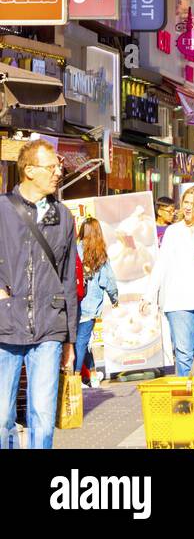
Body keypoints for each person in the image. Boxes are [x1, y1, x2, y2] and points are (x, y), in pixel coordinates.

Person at [0, 140, 78, 450]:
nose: (59, 172)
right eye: (51, 167)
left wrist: (70, 339)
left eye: (58, 167)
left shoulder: (64, 216)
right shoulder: (3, 209)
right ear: (29, 170)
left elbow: (68, 278)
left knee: (43, 416)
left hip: (49, 325)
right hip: (5, 324)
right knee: (2, 416)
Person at [142, 184, 194, 377]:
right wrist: (148, 295)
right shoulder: (173, 231)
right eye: (186, 202)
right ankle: (188, 398)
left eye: (193, 204)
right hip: (177, 299)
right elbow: (161, 264)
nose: (188, 207)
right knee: (183, 352)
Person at [75, 217, 119, 386]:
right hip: (90, 307)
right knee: (82, 342)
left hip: (73, 304)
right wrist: (115, 299)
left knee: (82, 342)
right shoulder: (99, 255)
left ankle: (93, 376)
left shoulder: (74, 250)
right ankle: (76, 378)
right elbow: (109, 281)